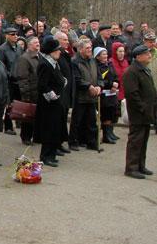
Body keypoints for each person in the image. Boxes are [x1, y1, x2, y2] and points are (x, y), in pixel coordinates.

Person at [122, 45, 157, 179]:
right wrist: (142, 107)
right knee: (136, 140)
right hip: (138, 112)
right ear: (138, 56)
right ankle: (131, 167)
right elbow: (132, 94)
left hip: (146, 111)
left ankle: (140, 165)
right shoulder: (131, 72)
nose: (149, 55)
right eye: (146, 53)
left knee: (143, 140)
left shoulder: (144, 70)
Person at [35, 37, 67, 167]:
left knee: (55, 129)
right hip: (48, 104)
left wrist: (63, 81)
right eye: (57, 50)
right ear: (52, 52)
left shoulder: (54, 63)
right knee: (48, 130)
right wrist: (52, 95)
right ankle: (45, 156)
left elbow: (58, 77)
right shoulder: (45, 64)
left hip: (57, 103)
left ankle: (52, 154)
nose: (59, 52)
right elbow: (42, 85)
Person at [70, 39, 101, 151]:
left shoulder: (93, 60)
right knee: (77, 121)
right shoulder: (74, 61)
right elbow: (77, 79)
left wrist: (99, 85)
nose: (90, 50)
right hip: (80, 96)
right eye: (87, 48)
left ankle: (91, 142)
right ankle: (73, 141)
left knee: (92, 121)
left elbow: (99, 76)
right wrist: (88, 86)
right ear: (81, 49)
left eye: (90, 47)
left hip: (92, 96)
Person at [14, 36, 40, 145]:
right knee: (28, 117)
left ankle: (35, 136)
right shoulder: (24, 58)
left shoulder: (40, 56)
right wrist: (26, 95)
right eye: (35, 43)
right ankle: (26, 137)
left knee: (36, 117)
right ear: (29, 45)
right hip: (30, 92)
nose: (38, 44)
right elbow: (22, 78)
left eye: (38, 42)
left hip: (38, 92)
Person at [96, 47, 120, 145]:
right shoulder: (97, 67)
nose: (105, 56)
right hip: (104, 93)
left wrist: (116, 83)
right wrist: (111, 85)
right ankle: (106, 135)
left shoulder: (109, 65)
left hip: (112, 93)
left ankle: (110, 132)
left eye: (106, 54)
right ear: (97, 57)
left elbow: (115, 76)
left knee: (112, 112)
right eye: (103, 54)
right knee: (105, 114)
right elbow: (100, 80)